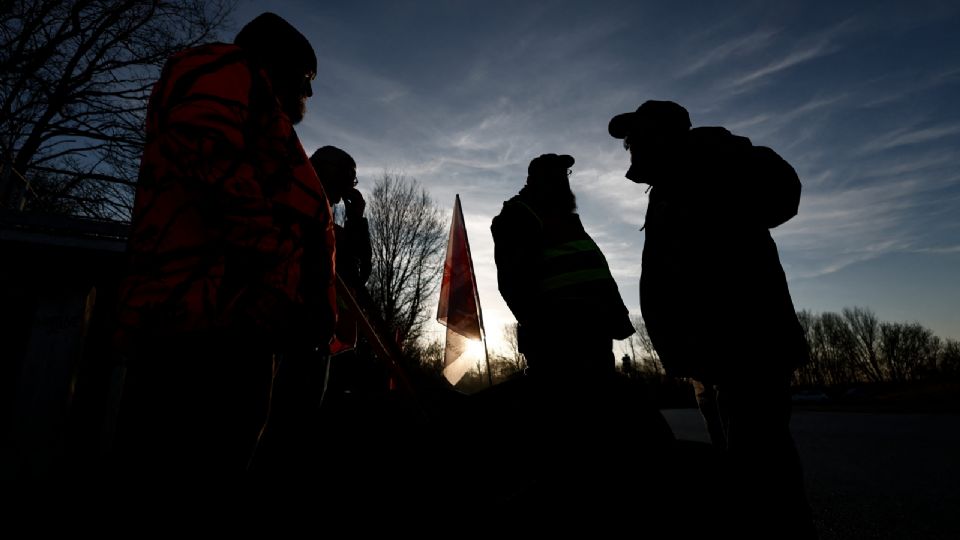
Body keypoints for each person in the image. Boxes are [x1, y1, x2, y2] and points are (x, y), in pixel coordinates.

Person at [112, 12, 336, 500]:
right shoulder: (221, 67)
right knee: (185, 470)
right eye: (307, 78)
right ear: (276, 61)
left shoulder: (257, 107)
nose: (310, 94)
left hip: (235, 322)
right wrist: (270, 260)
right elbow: (206, 148)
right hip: (200, 321)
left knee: (222, 467)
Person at [608, 100, 816, 538]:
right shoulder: (668, 183)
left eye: (635, 136)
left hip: (747, 349)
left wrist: (718, 153)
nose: (629, 146)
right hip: (709, 358)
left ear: (662, 134)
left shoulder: (707, 163)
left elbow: (781, 196)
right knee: (739, 470)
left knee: (762, 465)